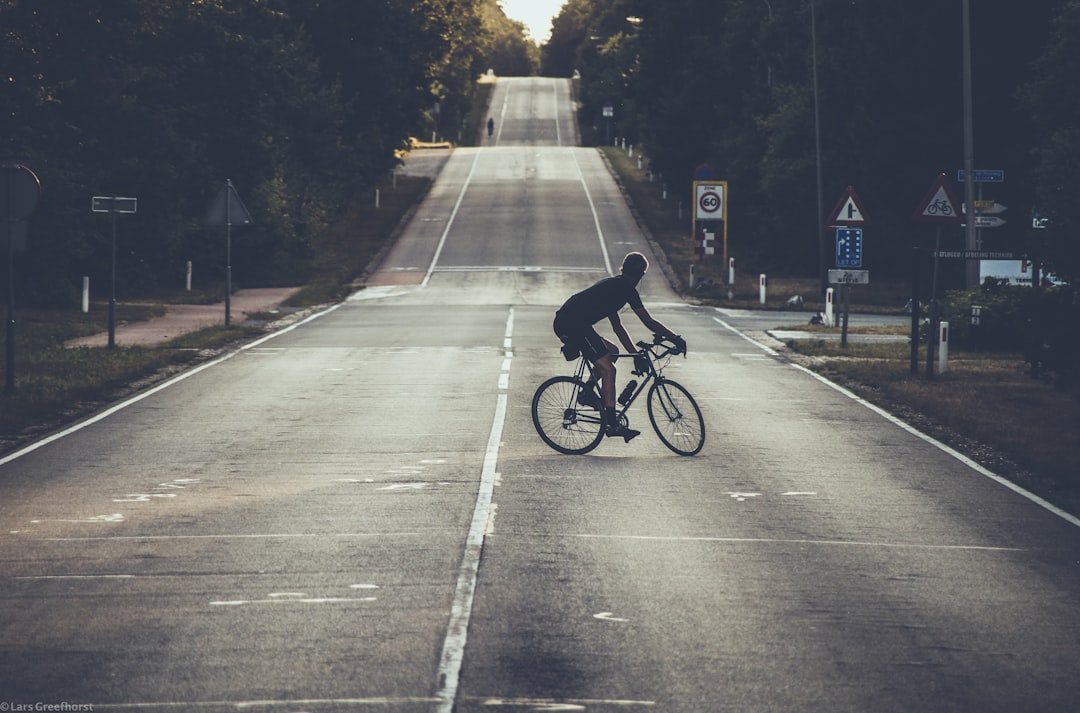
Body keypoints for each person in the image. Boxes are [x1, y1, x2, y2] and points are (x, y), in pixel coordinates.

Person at [553, 252, 687, 442]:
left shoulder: (615, 285)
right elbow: (648, 321)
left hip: (570, 321)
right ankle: (611, 423)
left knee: (613, 352)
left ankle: (586, 393)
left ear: (623, 268)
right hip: (573, 324)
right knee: (609, 370)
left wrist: (634, 354)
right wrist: (675, 338)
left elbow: (618, 327)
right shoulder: (626, 289)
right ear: (641, 275)